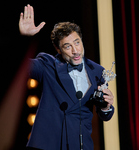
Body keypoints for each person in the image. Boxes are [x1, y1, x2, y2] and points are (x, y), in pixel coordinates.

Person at [19, 4, 115, 150]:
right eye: (67, 46)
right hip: (47, 144)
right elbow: (22, 67)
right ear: (58, 49)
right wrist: (25, 38)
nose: (75, 51)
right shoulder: (48, 65)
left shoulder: (97, 71)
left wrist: (106, 107)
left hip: (79, 145)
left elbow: (105, 116)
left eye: (77, 43)